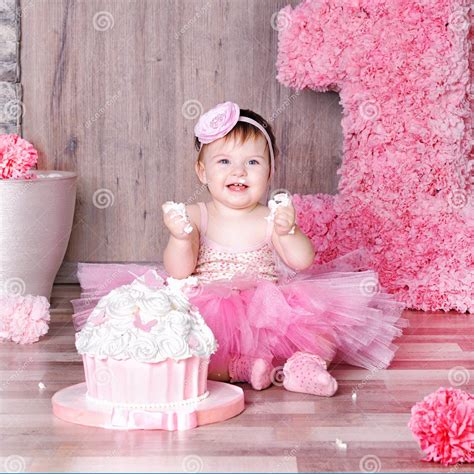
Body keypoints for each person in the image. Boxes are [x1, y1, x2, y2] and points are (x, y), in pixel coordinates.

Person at [72, 101, 409, 397]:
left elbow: (302, 261)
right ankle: (242, 368)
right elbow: (179, 270)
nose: (238, 171)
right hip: (208, 304)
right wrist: (179, 237)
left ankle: (302, 367)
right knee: (190, 348)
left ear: (270, 171)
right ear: (202, 171)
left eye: (252, 163)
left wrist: (288, 230)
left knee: (322, 334)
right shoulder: (196, 215)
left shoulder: (270, 216)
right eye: (224, 162)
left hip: (268, 307)